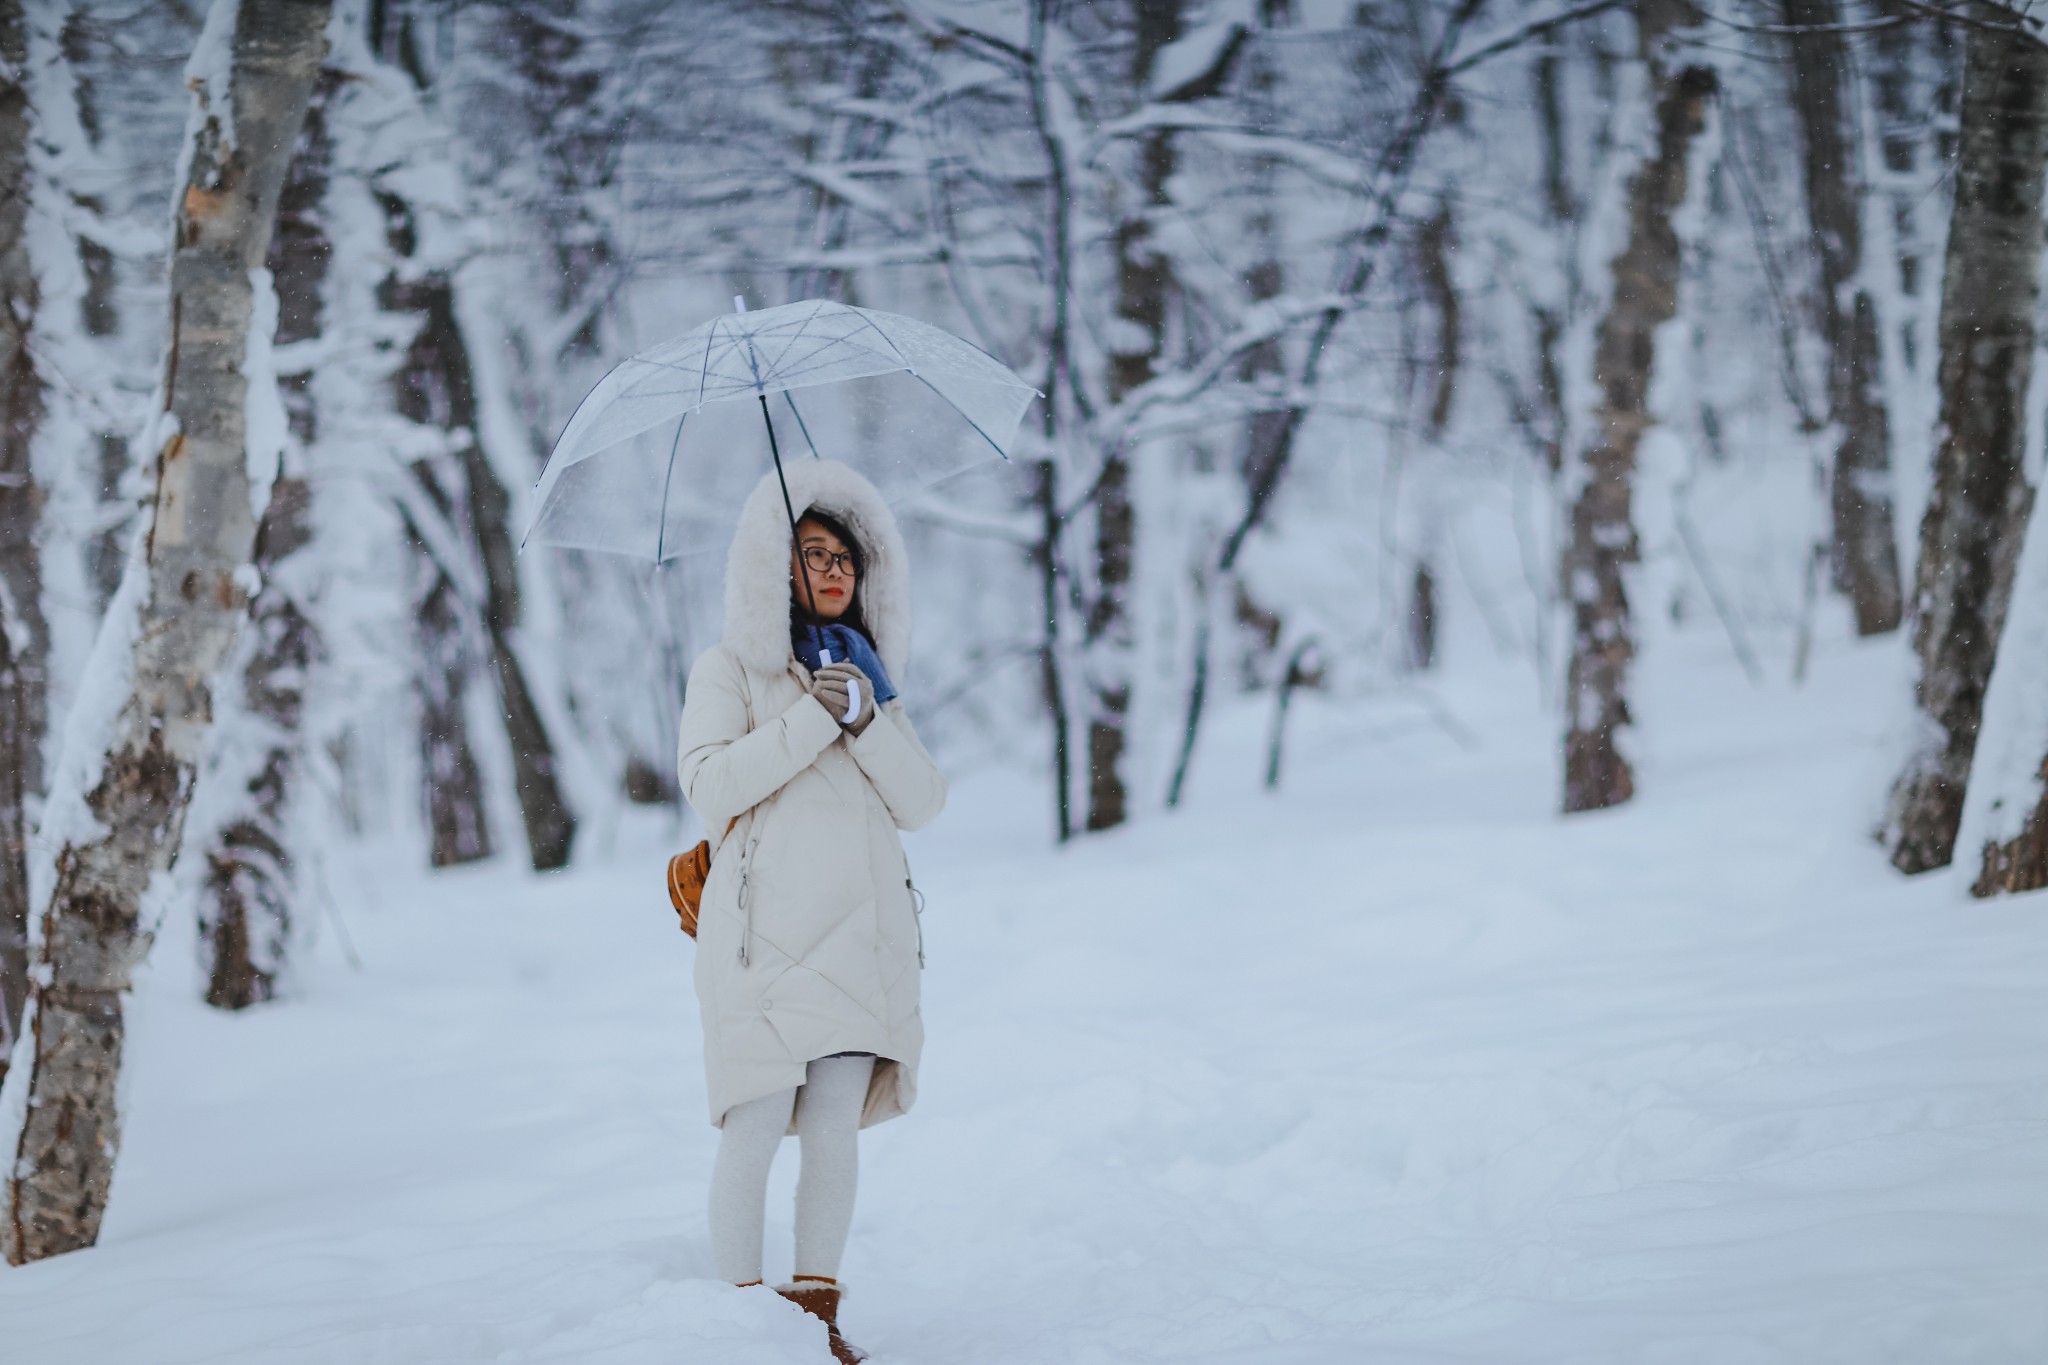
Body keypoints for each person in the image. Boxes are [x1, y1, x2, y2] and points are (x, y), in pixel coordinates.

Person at [676, 459, 947, 1364]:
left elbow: (923, 801)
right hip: (759, 940)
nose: (834, 572)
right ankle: (736, 1327)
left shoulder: (870, 679)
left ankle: (818, 1317)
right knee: (754, 1123)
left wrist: (865, 715)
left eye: (846, 558)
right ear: (771, 569)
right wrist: (810, 721)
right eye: (812, 553)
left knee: (832, 1127)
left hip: (855, 937)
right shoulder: (731, 669)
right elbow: (710, 780)